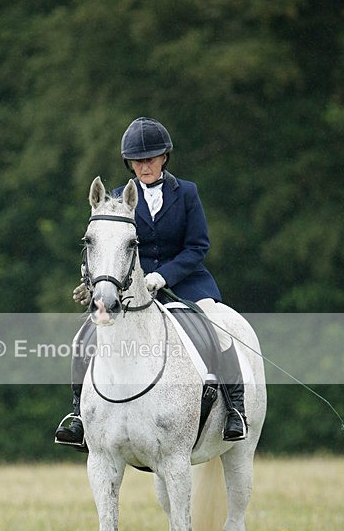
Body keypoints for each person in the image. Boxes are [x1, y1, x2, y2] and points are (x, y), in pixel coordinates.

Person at [55, 116, 248, 447]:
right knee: (83, 336)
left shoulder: (186, 193)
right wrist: (98, 285)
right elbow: (107, 249)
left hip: (186, 282)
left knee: (219, 329)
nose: (144, 166)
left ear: (164, 158)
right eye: (137, 160)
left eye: (151, 159)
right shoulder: (118, 198)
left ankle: (234, 410)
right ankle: (78, 415)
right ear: (129, 163)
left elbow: (198, 246)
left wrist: (163, 275)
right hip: (131, 288)